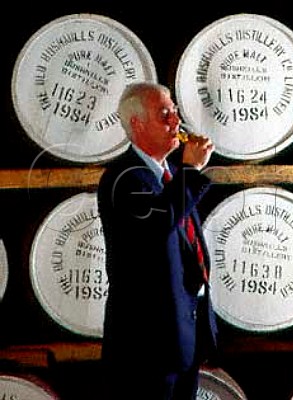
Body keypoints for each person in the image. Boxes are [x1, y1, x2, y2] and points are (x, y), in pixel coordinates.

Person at [97, 81, 218, 399]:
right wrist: (191, 170)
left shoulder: (170, 174)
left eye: (175, 112)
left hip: (182, 339)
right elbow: (158, 223)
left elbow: (188, 249)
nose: (176, 122)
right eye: (164, 114)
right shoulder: (124, 178)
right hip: (146, 348)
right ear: (136, 124)